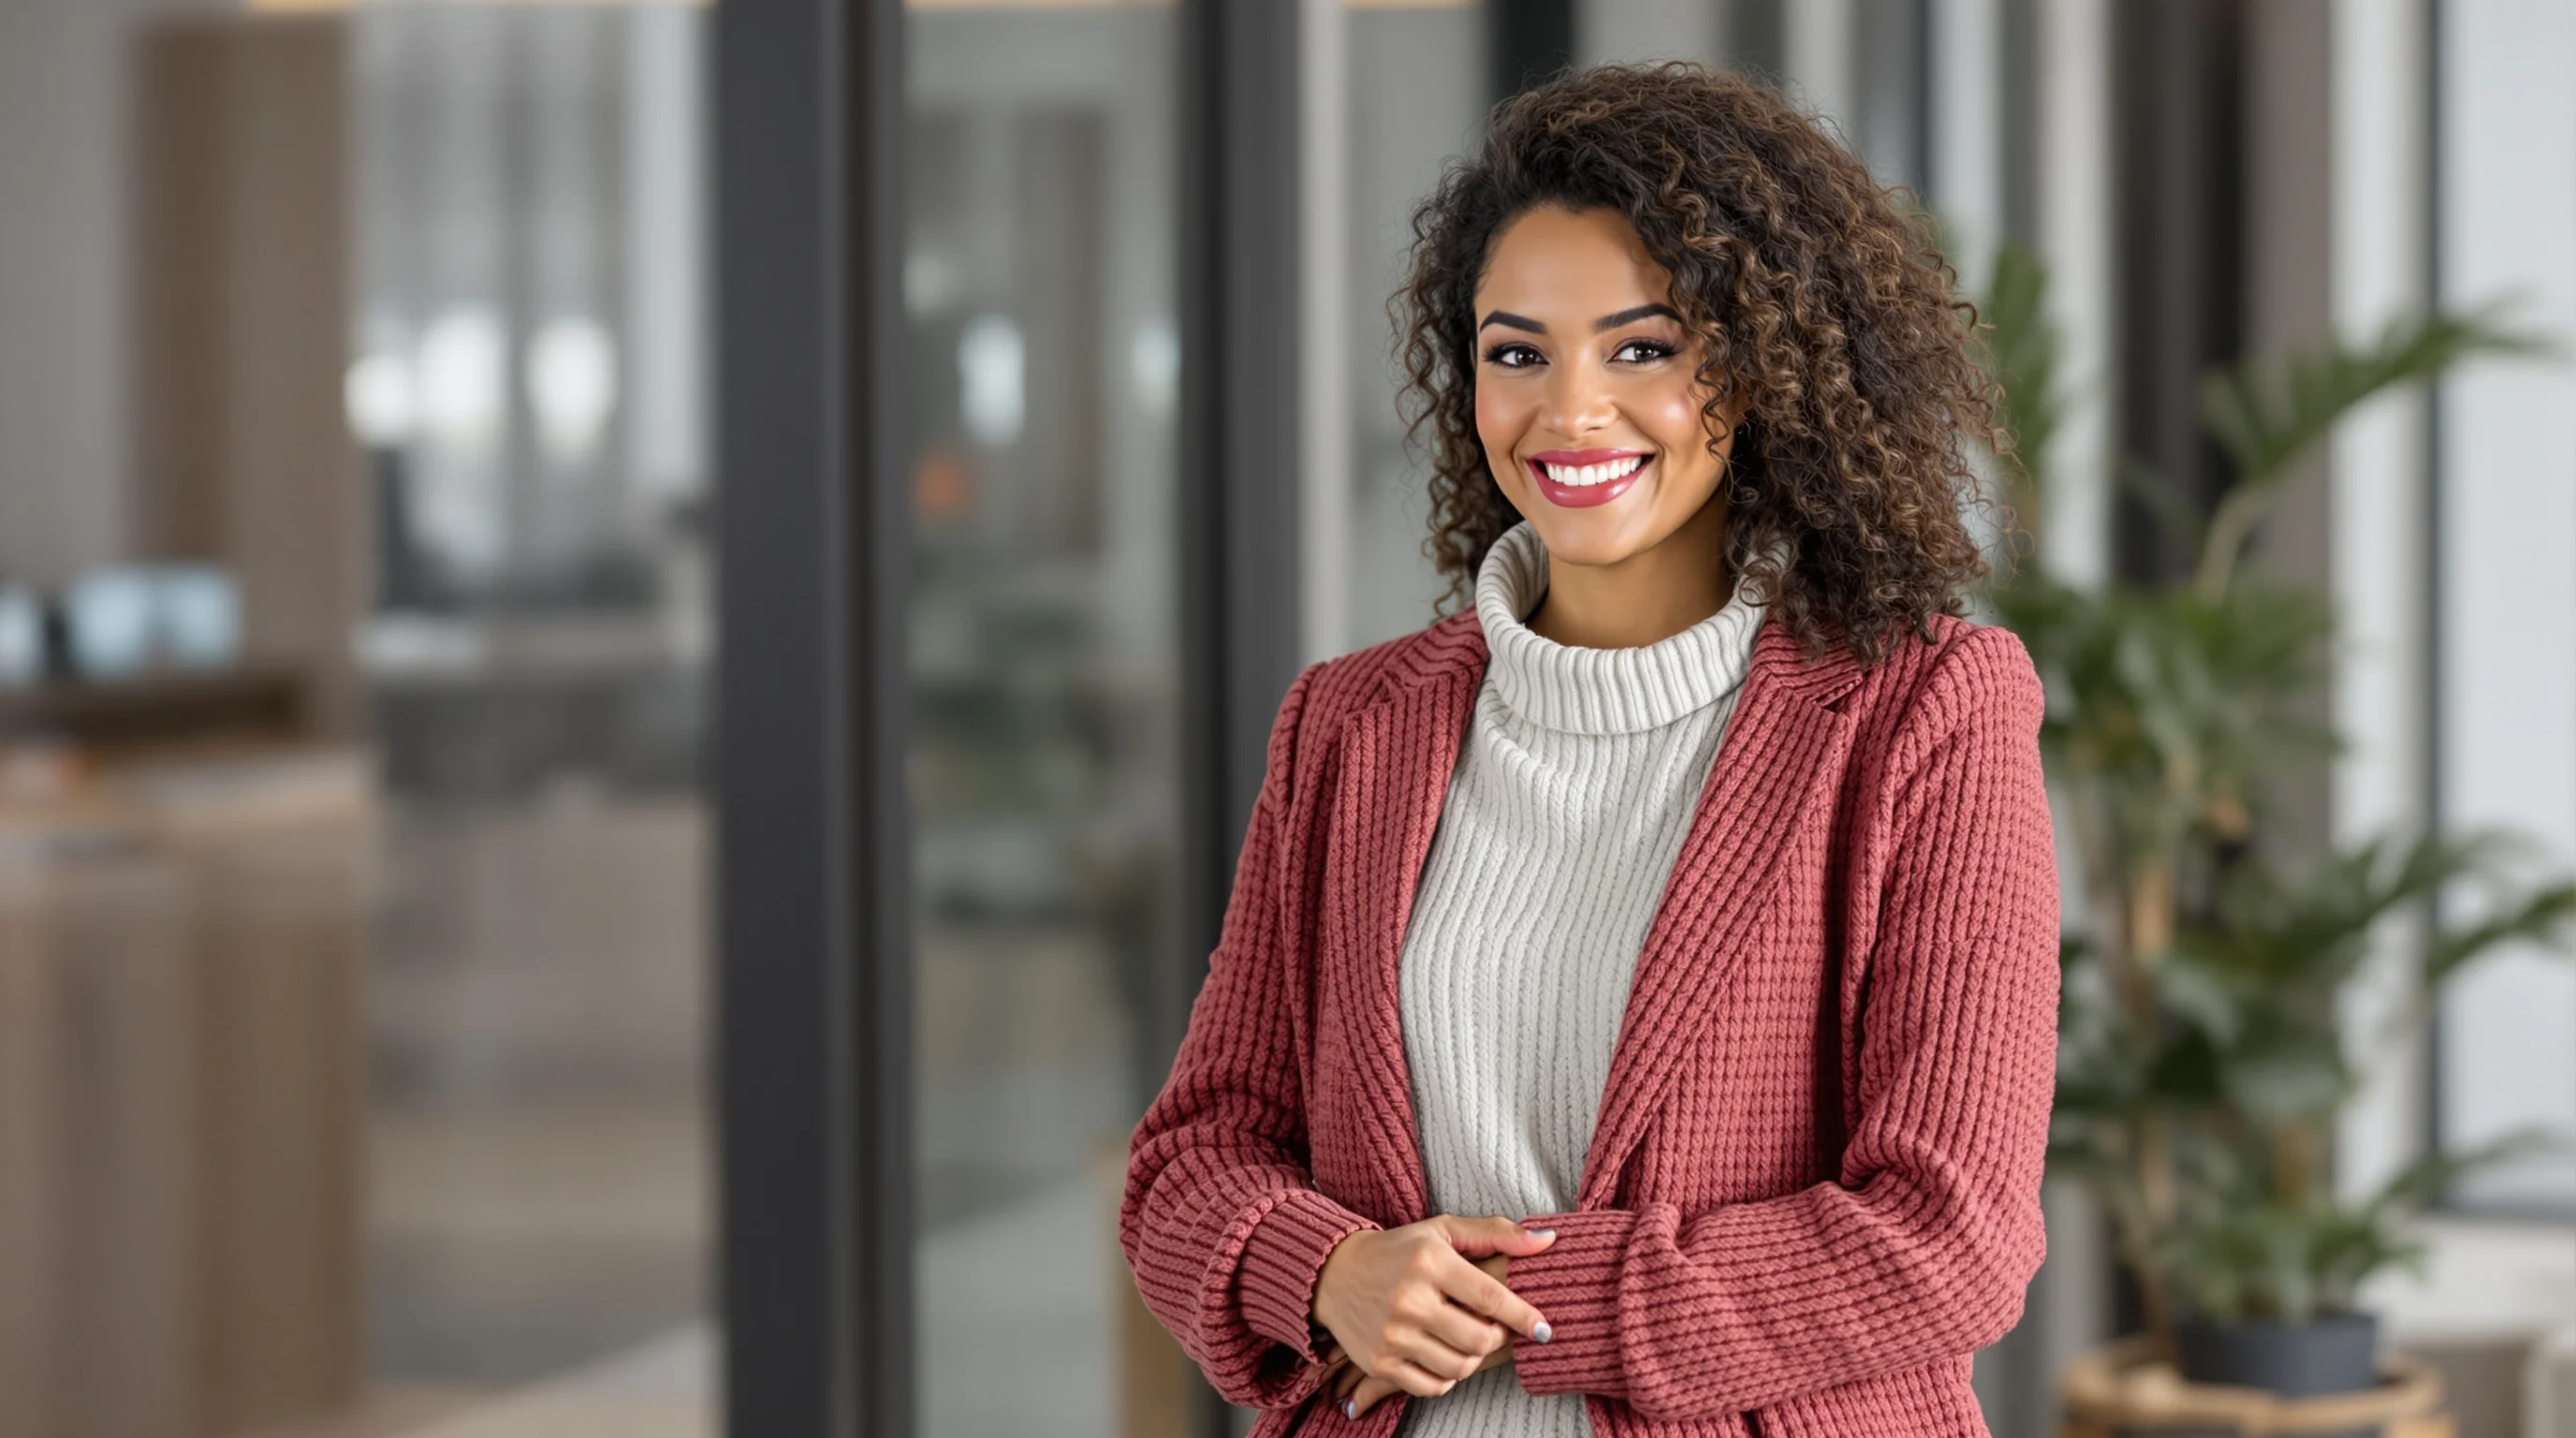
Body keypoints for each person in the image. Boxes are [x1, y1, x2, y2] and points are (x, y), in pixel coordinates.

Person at [1120, 61, 2058, 1438]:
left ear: (1750, 369)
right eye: (1518, 352)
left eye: (1642, 348)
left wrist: (1541, 1300)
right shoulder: (1350, 727)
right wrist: (1324, 1268)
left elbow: (1948, 1233)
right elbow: (1191, 1161)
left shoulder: (1923, 713)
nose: (1570, 413)